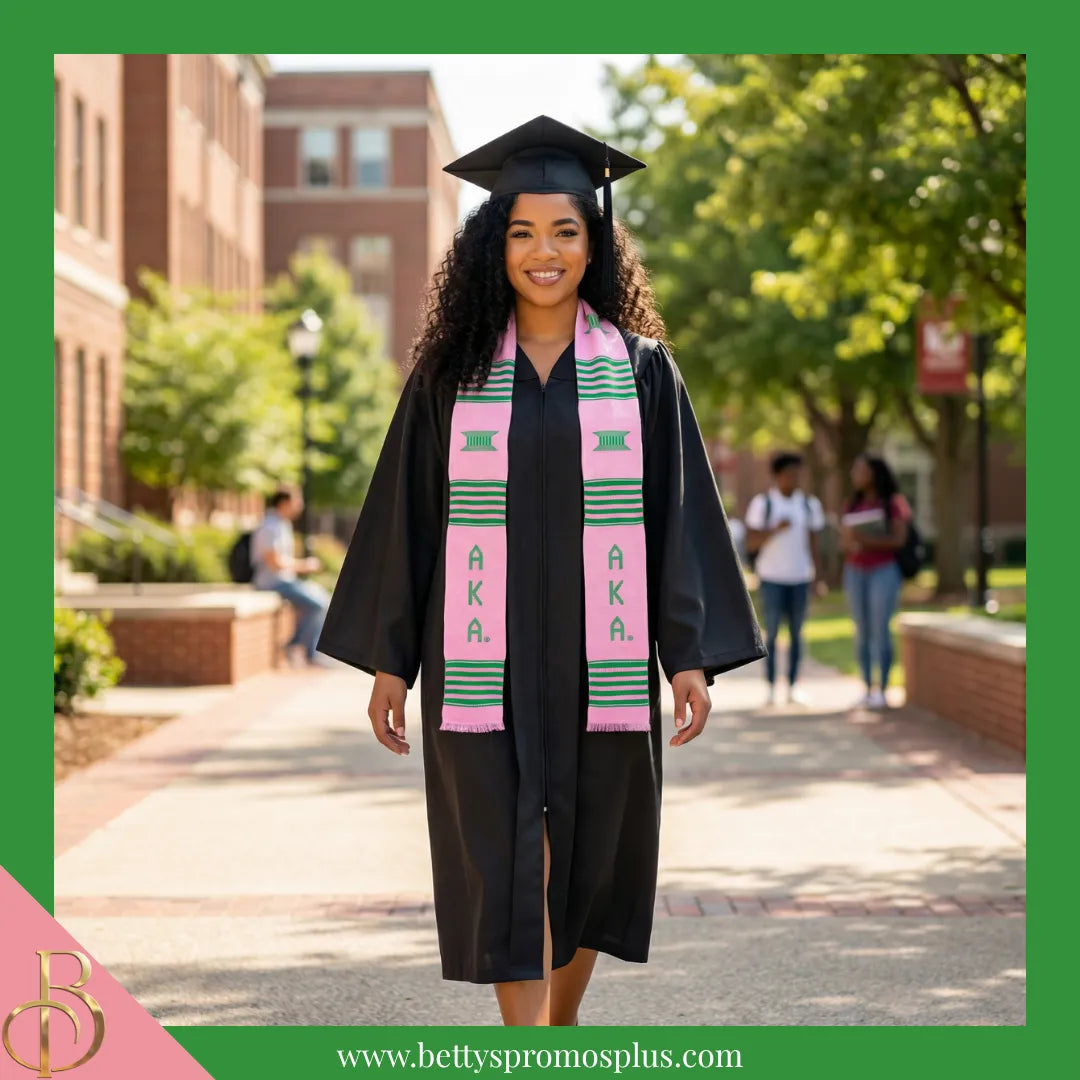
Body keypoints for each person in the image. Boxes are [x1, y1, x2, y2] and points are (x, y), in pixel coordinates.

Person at [316, 116, 766, 1026]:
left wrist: (688, 654)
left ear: (595, 244)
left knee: (592, 853)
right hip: (480, 653)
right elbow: (407, 518)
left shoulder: (643, 373)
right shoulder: (450, 376)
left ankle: (558, 1026)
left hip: (606, 653)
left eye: (565, 230)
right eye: (521, 232)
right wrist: (391, 663)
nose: (544, 251)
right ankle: (527, 1042)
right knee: (499, 850)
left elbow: (674, 517)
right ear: (495, 248)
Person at [744, 452, 826, 706]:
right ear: (778, 476)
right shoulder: (763, 504)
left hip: (800, 577)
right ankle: (770, 686)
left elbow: (814, 543)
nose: (795, 478)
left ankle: (792, 685)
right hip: (771, 578)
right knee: (771, 633)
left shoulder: (809, 505)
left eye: (798, 474)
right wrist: (774, 530)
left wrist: (817, 577)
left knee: (797, 633)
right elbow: (751, 542)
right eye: (790, 474)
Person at [840, 454, 912, 709]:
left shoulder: (893, 503)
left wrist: (864, 541)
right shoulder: (852, 503)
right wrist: (851, 543)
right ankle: (866, 687)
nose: (855, 475)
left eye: (860, 470)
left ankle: (882, 689)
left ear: (873, 474)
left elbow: (898, 540)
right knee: (862, 631)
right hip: (855, 571)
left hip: (884, 570)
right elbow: (845, 543)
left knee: (881, 630)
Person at [250, 486, 332, 668]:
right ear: (285, 503)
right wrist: (305, 565)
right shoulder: (269, 527)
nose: (300, 506)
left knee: (322, 600)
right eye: (297, 501)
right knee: (318, 604)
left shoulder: (281, 524)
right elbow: (275, 563)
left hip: (285, 581)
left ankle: (307, 651)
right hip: (272, 583)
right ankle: (299, 647)